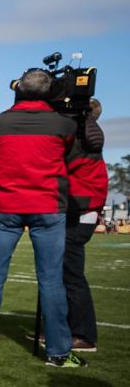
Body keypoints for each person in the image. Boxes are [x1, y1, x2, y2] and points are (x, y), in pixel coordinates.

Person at [0, 69, 83, 367]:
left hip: (6, 204)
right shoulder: (63, 124)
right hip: (48, 206)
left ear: (18, 89)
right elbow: (70, 152)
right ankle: (57, 352)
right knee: (50, 280)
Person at [58, 98, 107, 353]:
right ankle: (64, 329)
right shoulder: (88, 139)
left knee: (71, 276)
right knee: (64, 273)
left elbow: (70, 178)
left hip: (80, 212)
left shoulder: (83, 141)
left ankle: (83, 334)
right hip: (81, 210)